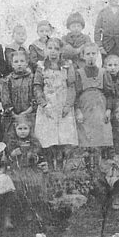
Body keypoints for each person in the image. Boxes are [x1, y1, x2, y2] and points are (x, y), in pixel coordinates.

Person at [32, 38, 78, 170]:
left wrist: (68, 105)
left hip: (63, 107)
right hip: (48, 107)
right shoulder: (41, 67)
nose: (53, 52)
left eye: (56, 49)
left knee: (62, 138)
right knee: (49, 138)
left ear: (61, 51)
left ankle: (61, 167)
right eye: (50, 48)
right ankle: (50, 167)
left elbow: (71, 86)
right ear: (45, 50)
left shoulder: (67, 66)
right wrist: (44, 104)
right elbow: (37, 87)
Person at [6, 116, 49, 230]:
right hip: (17, 169)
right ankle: (25, 212)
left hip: (31, 169)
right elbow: (7, 158)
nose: (23, 131)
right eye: (20, 129)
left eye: (25, 128)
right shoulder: (12, 142)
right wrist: (12, 155)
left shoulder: (34, 142)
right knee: (19, 184)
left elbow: (40, 156)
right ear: (15, 129)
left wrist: (36, 158)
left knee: (35, 184)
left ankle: (35, 211)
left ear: (30, 129)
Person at [74, 44, 114, 162]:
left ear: (97, 55)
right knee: (86, 140)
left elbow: (110, 94)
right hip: (85, 108)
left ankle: (101, 168)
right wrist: (78, 110)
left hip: (100, 109)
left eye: (93, 54)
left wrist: (108, 110)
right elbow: (75, 94)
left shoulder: (103, 72)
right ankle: (87, 171)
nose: (91, 57)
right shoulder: (79, 73)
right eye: (88, 54)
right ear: (83, 56)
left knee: (101, 138)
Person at [0, 50, 34, 141]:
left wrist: (27, 112)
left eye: (22, 61)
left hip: (29, 114)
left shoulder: (32, 78)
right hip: (12, 116)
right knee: (12, 139)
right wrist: (13, 114)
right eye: (16, 61)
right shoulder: (7, 80)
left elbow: (35, 97)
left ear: (27, 63)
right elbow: (5, 99)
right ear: (12, 64)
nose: (19, 64)